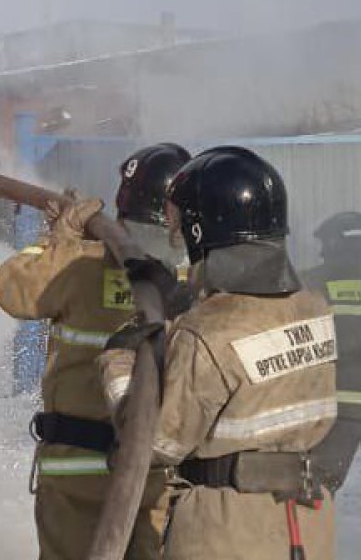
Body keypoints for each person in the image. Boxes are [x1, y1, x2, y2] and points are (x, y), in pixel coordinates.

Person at [100, 146, 338, 560]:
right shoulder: (313, 308)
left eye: (179, 225)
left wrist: (120, 366)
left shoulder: (207, 334)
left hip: (227, 531)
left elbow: (156, 444)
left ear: (199, 232)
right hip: (305, 521)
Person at [0, 142, 190, 560]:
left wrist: (57, 241)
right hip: (156, 476)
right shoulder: (192, 283)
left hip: (76, 470)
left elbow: (10, 288)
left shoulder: (78, 263)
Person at [305, 211, 361, 492]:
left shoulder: (312, 282)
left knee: (316, 493)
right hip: (338, 406)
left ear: (334, 243)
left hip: (336, 408)